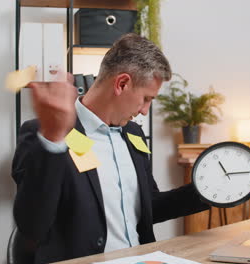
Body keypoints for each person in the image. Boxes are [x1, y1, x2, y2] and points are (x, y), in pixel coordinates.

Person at [11, 33, 209, 263]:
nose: (145, 110)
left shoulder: (134, 134)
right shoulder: (45, 132)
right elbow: (32, 226)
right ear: (122, 83)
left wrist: (205, 192)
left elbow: (148, 207)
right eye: (146, 98)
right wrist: (53, 138)